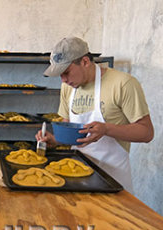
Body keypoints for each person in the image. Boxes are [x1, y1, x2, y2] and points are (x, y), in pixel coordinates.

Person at [36, 36, 154, 192]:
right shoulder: (68, 88)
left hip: (113, 180)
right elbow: (69, 127)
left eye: (66, 72)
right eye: (60, 75)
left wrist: (106, 129)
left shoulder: (123, 84)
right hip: (75, 174)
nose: (63, 80)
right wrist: (56, 140)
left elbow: (146, 133)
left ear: (85, 62)